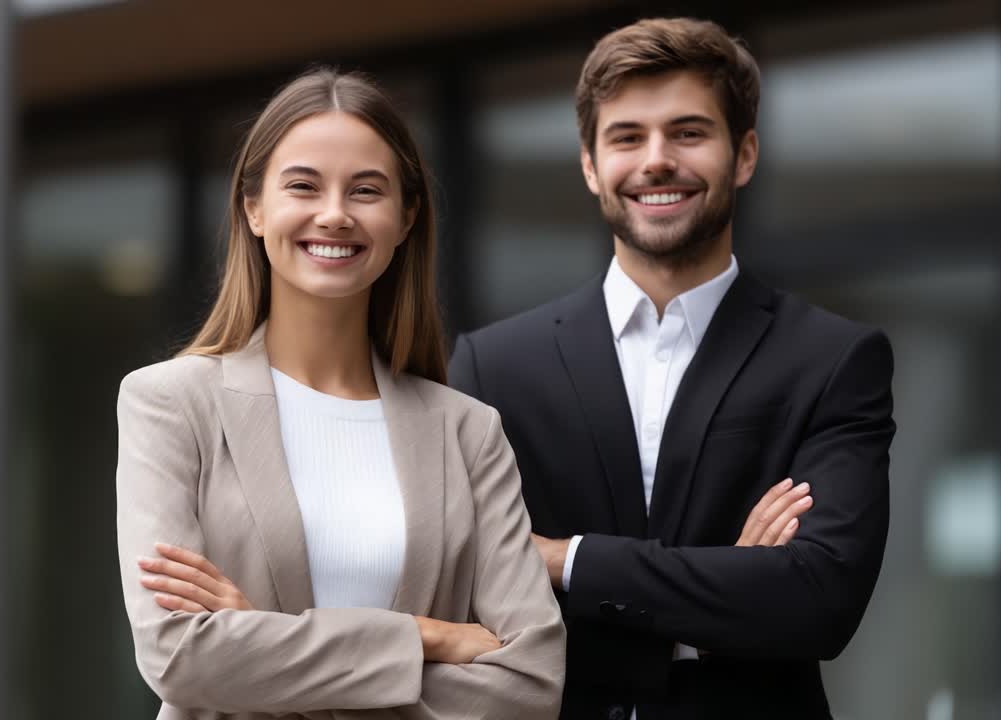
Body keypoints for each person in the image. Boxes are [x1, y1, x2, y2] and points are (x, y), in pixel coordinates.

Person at [448, 17, 896, 720]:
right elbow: (462, 597)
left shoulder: (833, 360)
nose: (657, 160)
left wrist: (567, 562)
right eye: (627, 137)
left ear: (744, 154)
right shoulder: (492, 365)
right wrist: (730, 601)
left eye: (689, 133)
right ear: (591, 165)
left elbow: (817, 602)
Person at [115, 67, 566, 720]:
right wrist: (423, 637)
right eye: (304, 185)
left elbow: (530, 685)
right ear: (254, 207)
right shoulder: (170, 403)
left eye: (366, 190)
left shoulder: (467, 431)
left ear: (406, 217)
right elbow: (180, 658)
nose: (334, 213)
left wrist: (263, 649)